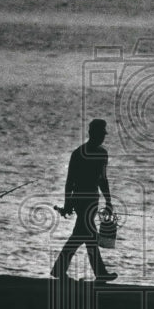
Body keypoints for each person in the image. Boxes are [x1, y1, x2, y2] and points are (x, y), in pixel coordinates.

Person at [51, 118, 118, 282]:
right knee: (87, 236)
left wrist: (108, 201)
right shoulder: (78, 154)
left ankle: (60, 269)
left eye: (103, 134)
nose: (102, 137)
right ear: (91, 133)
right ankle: (99, 273)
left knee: (83, 235)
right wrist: (68, 204)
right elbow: (70, 181)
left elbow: (103, 179)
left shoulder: (103, 154)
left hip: (92, 201)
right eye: (100, 134)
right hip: (81, 201)